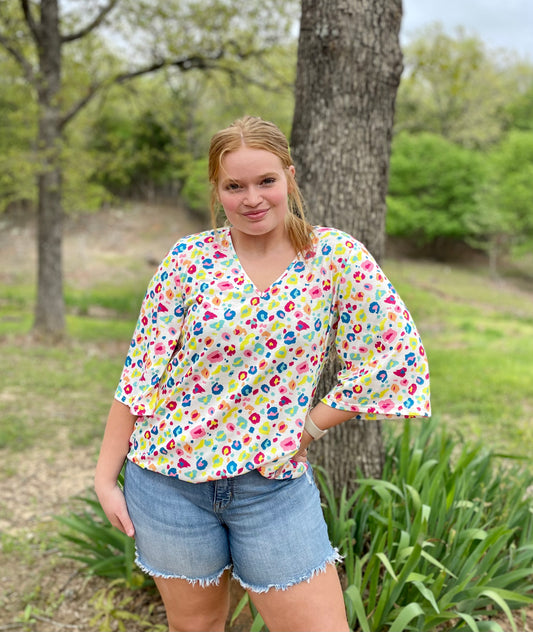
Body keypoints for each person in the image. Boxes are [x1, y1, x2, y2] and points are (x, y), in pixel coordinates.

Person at [95, 115, 430, 632]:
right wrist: (104, 477)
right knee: (197, 628)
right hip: (167, 482)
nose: (252, 198)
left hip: (272, 487)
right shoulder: (189, 260)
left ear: (289, 177)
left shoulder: (334, 258)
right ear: (219, 190)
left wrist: (313, 425)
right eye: (235, 186)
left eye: (265, 181)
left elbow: (394, 354)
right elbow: (142, 371)